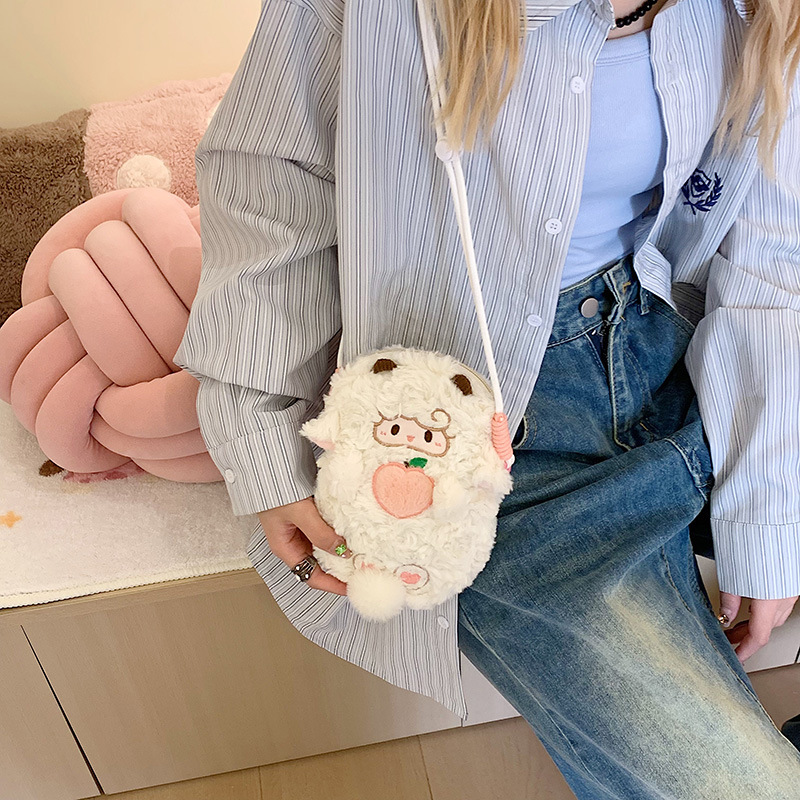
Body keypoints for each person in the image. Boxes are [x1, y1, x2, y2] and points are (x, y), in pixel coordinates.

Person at [174, 0, 800, 796]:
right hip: (488, 425)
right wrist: (263, 438)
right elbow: (270, 187)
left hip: (686, 342)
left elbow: (773, 259)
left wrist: (769, 521)